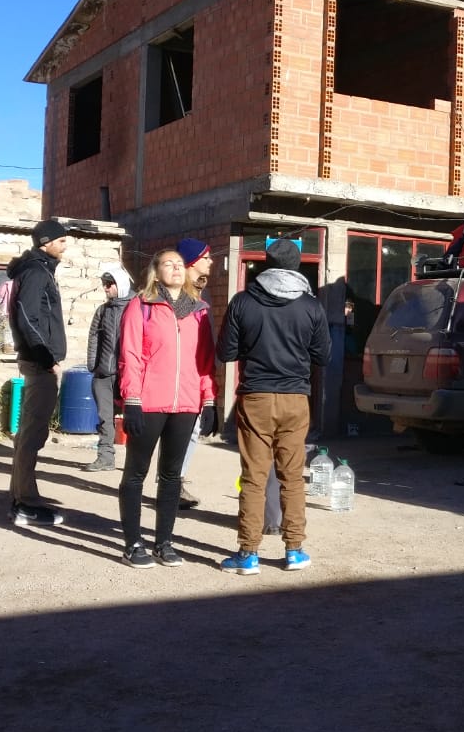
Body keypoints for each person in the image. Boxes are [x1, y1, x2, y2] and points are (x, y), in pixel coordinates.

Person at [216, 238, 331, 575]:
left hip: (256, 398)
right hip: (295, 398)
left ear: (266, 264)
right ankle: (295, 550)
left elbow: (226, 352)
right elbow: (323, 356)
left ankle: (248, 554)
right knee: (292, 476)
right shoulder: (311, 306)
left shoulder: (243, 301)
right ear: (297, 265)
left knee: (254, 477)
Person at [116, 248, 217, 568]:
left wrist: (209, 399)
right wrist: (132, 399)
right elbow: (130, 355)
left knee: (172, 476)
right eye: (168, 264)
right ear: (155, 271)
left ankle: (164, 542)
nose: (175, 268)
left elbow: (206, 360)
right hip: (147, 403)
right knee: (136, 473)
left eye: (179, 264)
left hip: (185, 404)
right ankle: (133, 544)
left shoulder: (199, 311)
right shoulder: (141, 306)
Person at [7, 219, 72, 528]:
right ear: (46, 243)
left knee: (29, 434)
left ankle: (21, 499)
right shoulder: (35, 272)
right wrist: (46, 357)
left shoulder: (41, 269)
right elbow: (27, 316)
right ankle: (26, 505)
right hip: (39, 362)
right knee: (32, 435)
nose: (65, 246)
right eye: (61, 241)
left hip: (39, 361)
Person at [173, 237, 218, 508]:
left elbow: (204, 345)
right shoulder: (174, 294)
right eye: (206, 257)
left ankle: (175, 482)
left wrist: (208, 392)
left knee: (191, 432)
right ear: (191, 262)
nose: (211, 261)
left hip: (195, 376)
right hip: (171, 379)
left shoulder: (201, 294)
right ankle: (168, 484)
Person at [82, 270, 130, 473]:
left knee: (133, 418)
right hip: (103, 372)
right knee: (104, 417)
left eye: (109, 284)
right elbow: (94, 337)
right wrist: (93, 365)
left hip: (128, 374)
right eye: (104, 283)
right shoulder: (102, 311)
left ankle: (134, 463)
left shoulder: (136, 308)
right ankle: (105, 457)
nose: (105, 288)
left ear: (121, 284)